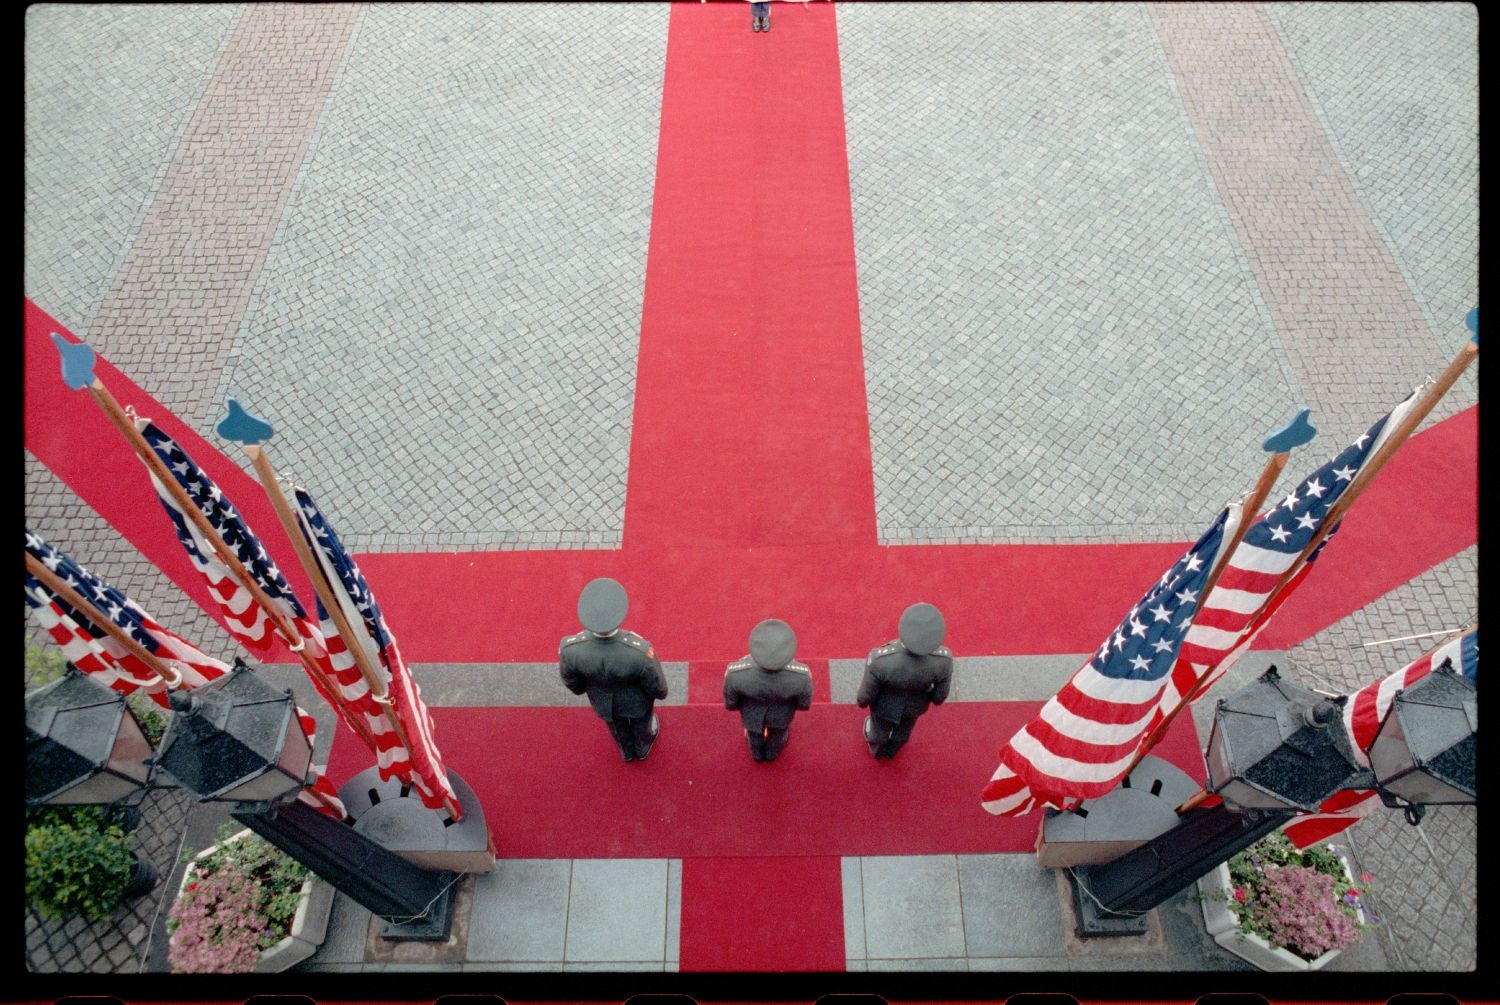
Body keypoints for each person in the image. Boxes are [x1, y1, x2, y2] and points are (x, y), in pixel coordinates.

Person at [559, 578, 668, 762]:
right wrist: (658, 694)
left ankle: (626, 752)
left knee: (616, 728)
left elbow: (572, 682)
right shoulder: (639, 651)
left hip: (602, 701)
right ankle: (642, 748)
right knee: (642, 725)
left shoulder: (570, 649)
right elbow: (658, 686)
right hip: (636, 702)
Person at [856, 603, 953, 759]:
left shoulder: (880, 659)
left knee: (879, 731)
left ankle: (877, 750)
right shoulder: (944, 660)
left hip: (884, 706)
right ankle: (892, 751)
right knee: (903, 732)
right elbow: (940, 697)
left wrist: (862, 703)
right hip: (915, 706)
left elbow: (865, 695)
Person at [723, 619, 812, 761]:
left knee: (753, 737)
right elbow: (804, 704)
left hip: (751, 715)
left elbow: (730, 703)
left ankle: (757, 754)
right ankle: (772, 754)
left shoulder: (736, 673)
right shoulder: (801, 676)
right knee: (778, 736)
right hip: (781, 716)